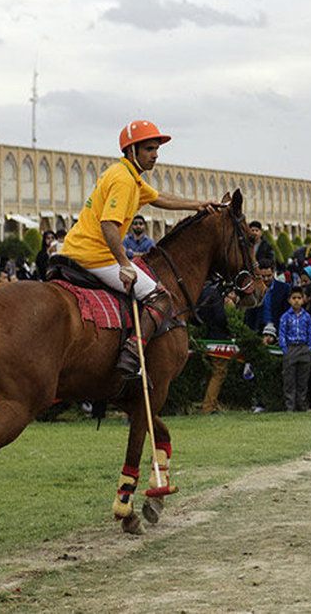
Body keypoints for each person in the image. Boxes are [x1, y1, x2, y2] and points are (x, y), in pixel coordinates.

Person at [58, 120, 220, 376]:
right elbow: (109, 225)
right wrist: (124, 264)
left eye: (156, 149)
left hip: (75, 249)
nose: (155, 154)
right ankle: (133, 354)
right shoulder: (124, 180)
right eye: (149, 149)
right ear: (131, 150)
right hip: (96, 256)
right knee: (161, 296)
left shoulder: (128, 176)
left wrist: (199, 205)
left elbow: (160, 198)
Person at [196, 280, 235, 414]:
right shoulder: (215, 294)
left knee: (211, 372)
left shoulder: (203, 291)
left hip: (208, 335)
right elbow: (220, 317)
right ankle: (209, 406)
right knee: (219, 372)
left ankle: (208, 403)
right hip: (219, 337)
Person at [277, 287, 311, 412]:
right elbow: (282, 333)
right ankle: (290, 405)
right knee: (289, 379)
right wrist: (284, 349)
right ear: (289, 300)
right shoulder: (285, 317)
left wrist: (310, 347)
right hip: (291, 348)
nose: (296, 301)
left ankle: (302, 404)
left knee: (303, 379)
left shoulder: (307, 317)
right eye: (294, 298)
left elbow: (310, 332)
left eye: (299, 298)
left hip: (304, 348)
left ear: (303, 300)